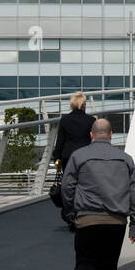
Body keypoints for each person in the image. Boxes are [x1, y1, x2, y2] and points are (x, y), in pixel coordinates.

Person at [60, 118, 135, 270]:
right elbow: (134, 192)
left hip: (87, 218)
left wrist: (70, 213)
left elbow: (67, 188)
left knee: (85, 262)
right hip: (116, 221)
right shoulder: (125, 159)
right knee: (108, 264)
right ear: (111, 134)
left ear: (91, 135)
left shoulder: (79, 156)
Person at [52, 92, 96, 230]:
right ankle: (85, 214)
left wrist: (57, 158)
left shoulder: (65, 120)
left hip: (68, 157)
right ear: (83, 105)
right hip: (86, 157)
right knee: (85, 186)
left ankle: (70, 215)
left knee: (69, 186)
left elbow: (60, 141)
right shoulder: (91, 120)